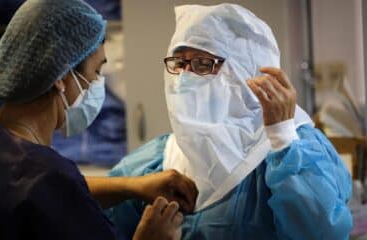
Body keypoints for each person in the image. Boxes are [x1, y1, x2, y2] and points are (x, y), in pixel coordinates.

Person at [105, 4, 353, 240]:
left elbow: (323, 233)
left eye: (203, 64)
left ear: (246, 71)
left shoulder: (294, 152)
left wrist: (282, 135)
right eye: (179, 63)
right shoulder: (157, 161)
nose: (184, 78)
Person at [0, 0, 198, 239]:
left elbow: (55, 193)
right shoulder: (46, 174)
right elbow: (49, 188)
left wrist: (132, 187)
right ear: (61, 77)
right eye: (96, 72)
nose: (97, 85)